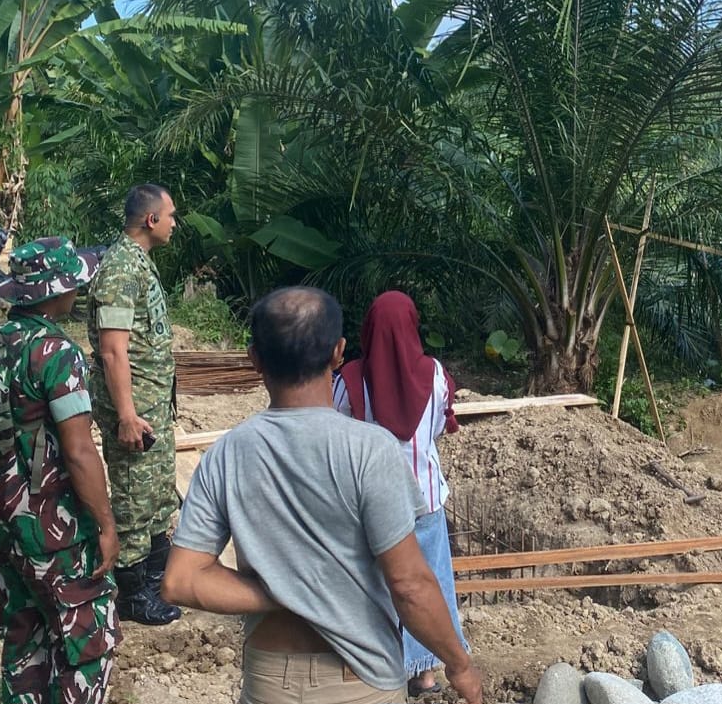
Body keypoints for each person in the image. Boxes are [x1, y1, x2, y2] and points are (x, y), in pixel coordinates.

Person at [162, 287, 484, 704]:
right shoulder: (370, 450)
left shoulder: (227, 453)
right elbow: (409, 585)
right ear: (338, 352)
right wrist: (459, 665)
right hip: (359, 681)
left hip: (268, 680)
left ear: (254, 358)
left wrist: (280, 590)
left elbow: (180, 580)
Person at [0, 238, 121, 703]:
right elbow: (79, 451)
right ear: (55, 291)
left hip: (5, 514)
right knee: (87, 642)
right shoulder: (58, 353)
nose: (78, 290)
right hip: (54, 526)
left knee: (25, 637)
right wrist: (104, 524)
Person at [333, 291, 468, 696]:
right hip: (425, 500)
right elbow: (442, 424)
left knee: (380, 587)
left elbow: (337, 430)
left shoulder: (353, 379)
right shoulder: (435, 374)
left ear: (369, 328)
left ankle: (383, 670)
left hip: (373, 506)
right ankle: (426, 674)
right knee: (431, 585)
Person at [88, 183, 182, 625]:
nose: (175, 224)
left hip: (151, 406)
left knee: (156, 493)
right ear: (151, 220)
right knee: (132, 495)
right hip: (135, 411)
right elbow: (112, 350)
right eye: (171, 216)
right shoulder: (122, 270)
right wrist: (126, 414)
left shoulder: (138, 264)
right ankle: (130, 594)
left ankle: (156, 576)